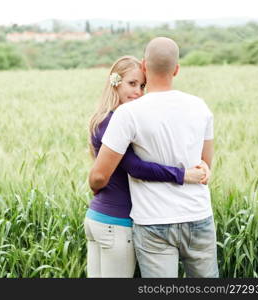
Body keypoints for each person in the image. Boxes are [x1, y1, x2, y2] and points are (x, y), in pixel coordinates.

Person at [89, 38, 218, 278]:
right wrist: (189, 173)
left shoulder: (128, 113)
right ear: (177, 69)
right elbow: (205, 164)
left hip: (153, 220)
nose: (138, 91)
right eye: (132, 84)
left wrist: (95, 187)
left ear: (144, 65)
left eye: (141, 84)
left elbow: (102, 174)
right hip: (198, 214)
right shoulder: (200, 106)